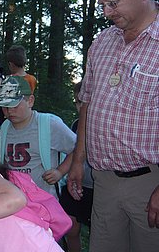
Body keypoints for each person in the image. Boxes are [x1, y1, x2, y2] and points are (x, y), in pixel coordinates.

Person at [67, 0, 159, 251]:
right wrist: (77, 161)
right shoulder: (102, 42)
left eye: (113, 3)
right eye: (102, 5)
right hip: (104, 181)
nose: (107, 12)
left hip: (150, 182)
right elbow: (87, 103)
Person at [0, 75, 76, 198]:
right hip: (15, 199)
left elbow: (76, 148)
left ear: (30, 101)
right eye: (5, 107)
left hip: (45, 199)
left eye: (15, 106)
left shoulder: (49, 124)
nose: (9, 111)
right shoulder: (5, 127)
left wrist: (60, 172)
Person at [59, 82, 93, 252]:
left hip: (96, 187)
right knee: (71, 226)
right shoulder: (74, 125)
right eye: (77, 102)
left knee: (98, 231)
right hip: (76, 184)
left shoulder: (102, 126)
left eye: (84, 102)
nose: (80, 106)